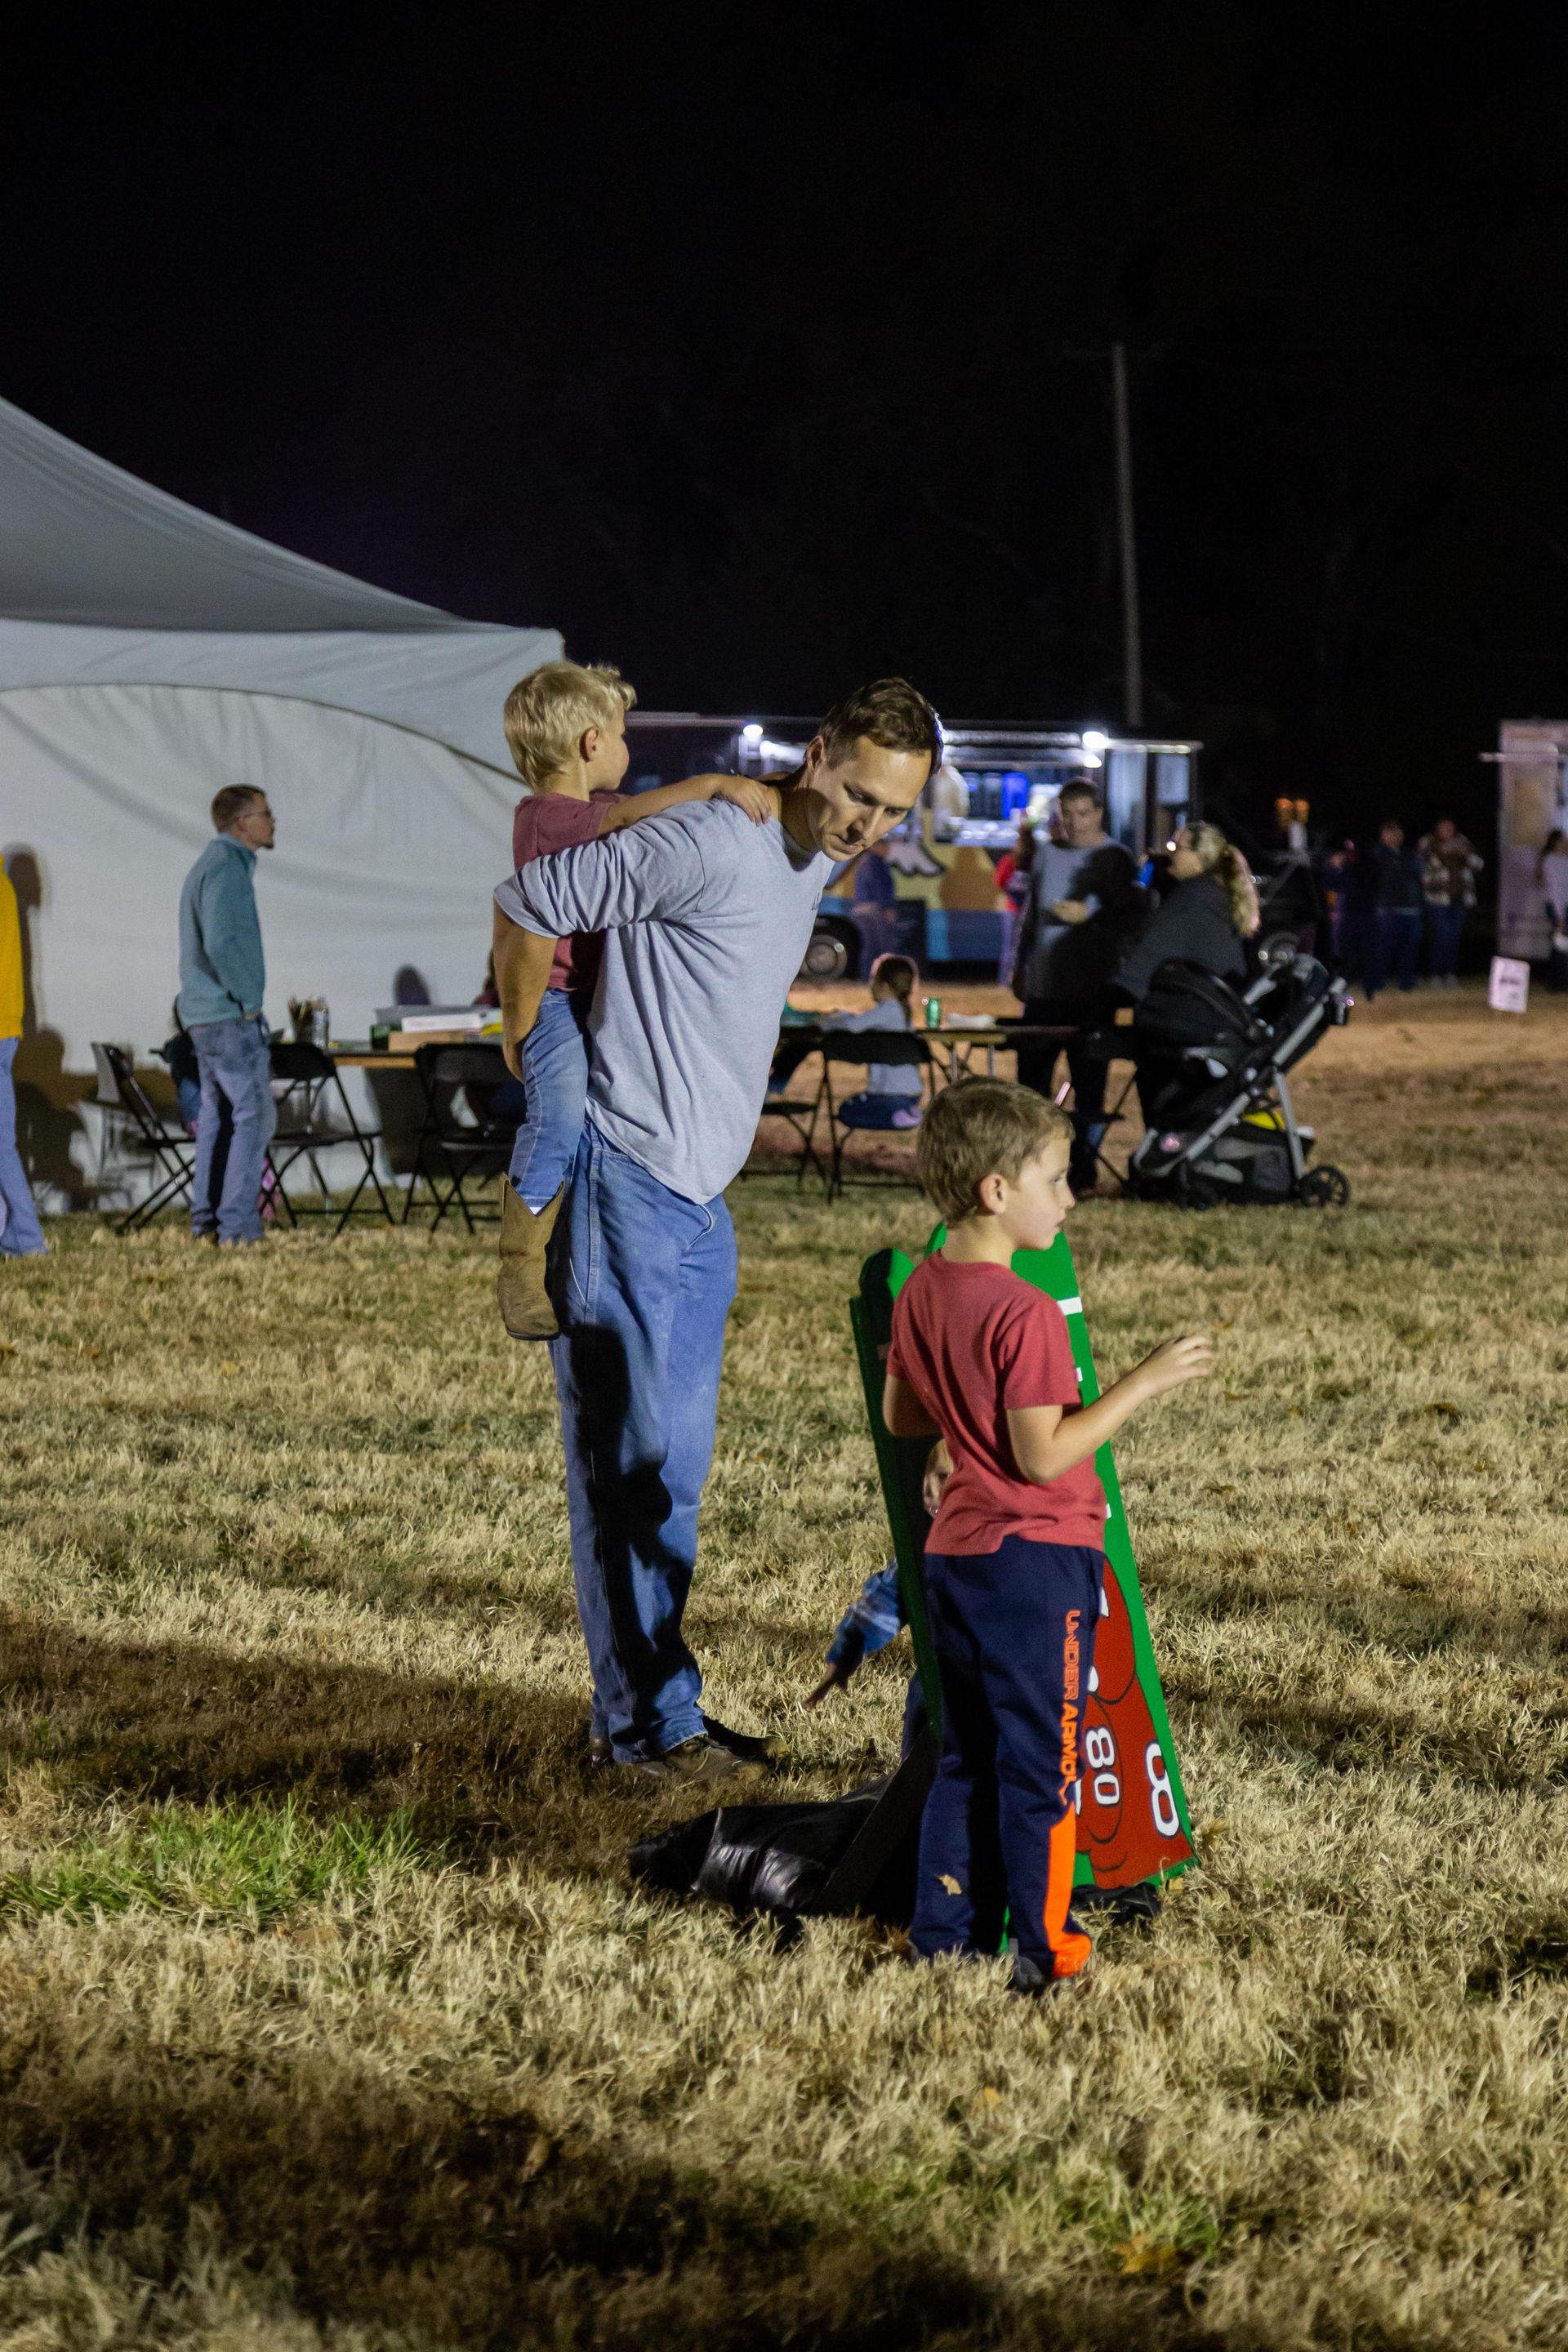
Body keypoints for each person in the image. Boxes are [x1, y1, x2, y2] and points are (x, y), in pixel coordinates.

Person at [492, 676, 942, 1782]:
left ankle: (658, 1712)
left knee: (670, 1478)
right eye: (855, 795)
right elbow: (527, 898)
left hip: (698, 1203)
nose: (866, 826)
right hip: (626, 1183)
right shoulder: (709, 840)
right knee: (630, 1472)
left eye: (891, 812)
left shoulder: (811, 859)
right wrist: (520, 1043)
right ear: (818, 750)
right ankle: (645, 1729)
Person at [881, 1079, 1214, 1991]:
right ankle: (1045, 1951)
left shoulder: (922, 1293)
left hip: (957, 1559)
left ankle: (941, 1941)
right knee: (1042, 1770)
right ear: (998, 1190)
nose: (1071, 1197)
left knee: (965, 1758)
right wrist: (1143, 1382)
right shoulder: (1026, 1311)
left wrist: (960, 1430)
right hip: (1035, 1563)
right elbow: (1042, 1455)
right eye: (1058, 1179)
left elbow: (906, 1416)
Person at [494, 659, 778, 1340]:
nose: (627, 749)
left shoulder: (582, 812)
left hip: (594, 996)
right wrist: (711, 786)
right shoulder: (547, 818)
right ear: (592, 743)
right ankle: (518, 1263)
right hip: (558, 1001)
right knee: (558, 1114)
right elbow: (625, 818)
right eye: (622, 734)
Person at [1011, 780, 1145, 1193]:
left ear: (1099, 813)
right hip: (1044, 988)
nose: (1073, 823)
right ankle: (1029, 1168)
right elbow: (1032, 916)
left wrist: (1090, 914)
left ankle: (1082, 1172)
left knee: (1089, 1087)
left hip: (1090, 990)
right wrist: (1020, 965)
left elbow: (1131, 917)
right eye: (1066, 815)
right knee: (1031, 1085)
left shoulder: (1115, 858)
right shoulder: (1048, 855)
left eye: (1082, 814)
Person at [177, 786, 278, 1245]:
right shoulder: (227, 867)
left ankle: (208, 1221)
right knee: (253, 1115)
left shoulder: (210, 865)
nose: (273, 820)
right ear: (242, 823)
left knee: (218, 1116)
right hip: (227, 1013)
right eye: (266, 813)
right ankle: (237, 1226)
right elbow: (220, 942)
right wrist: (249, 999)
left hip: (204, 1014)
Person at [1115, 822, 1260, 1125]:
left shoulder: (1193, 899)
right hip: (1214, 1026)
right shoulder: (1213, 895)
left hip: (1184, 1031)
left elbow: (1150, 953)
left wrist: (1110, 1000)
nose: (1170, 855)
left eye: (1177, 848)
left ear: (1199, 857)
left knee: (1165, 1110)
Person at [0, 850, 46, 1258]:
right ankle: (23, 1237)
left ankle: (27, 1239)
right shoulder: (3, 886)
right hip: (6, 1028)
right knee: (2, 1143)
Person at [826, 952, 923, 1129]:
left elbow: (853, 1026)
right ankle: (906, 1112)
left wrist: (827, 1023)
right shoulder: (902, 1012)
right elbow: (861, 1020)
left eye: (872, 979)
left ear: (884, 985)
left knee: (847, 1111)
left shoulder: (887, 1010)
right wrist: (845, 1015)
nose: (870, 985)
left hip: (889, 1094)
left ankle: (895, 1118)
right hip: (912, 1093)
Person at [1417, 817, 1483, 987]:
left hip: (1459, 898)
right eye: (1444, 827)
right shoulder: (1428, 843)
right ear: (1437, 829)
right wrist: (1444, 852)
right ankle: (1435, 974)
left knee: (1453, 937)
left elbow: (1478, 864)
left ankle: (1450, 974)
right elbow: (1422, 865)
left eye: (1450, 827)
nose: (1447, 830)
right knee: (1442, 935)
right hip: (1437, 898)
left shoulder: (1462, 842)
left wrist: (1465, 854)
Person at [1362, 819, 1424, 999]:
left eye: (1396, 833)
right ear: (1382, 836)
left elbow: (1418, 875)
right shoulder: (1376, 855)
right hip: (1386, 910)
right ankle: (1377, 982)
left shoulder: (1409, 854)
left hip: (1411, 910)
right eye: (1388, 833)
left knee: (1410, 949)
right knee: (1383, 949)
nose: (1393, 837)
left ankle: (1407, 982)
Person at [993, 815, 1035, 987]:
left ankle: (1005, 981)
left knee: (1009, 947)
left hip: (1011, 907)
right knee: (1029, 946)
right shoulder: (1037, 858)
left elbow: (998, 881)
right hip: (1031, 908)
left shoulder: (1009, 860)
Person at [1541, 830, 1568, 994]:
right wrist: (1559, 915)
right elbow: (1555, 889)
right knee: (1559, 944)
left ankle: (1561, 981)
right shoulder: (1550, 861)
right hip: (1557, 907)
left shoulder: (1563, 860)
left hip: (1564, 906)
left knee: (1562, 945)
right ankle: (1555, 982)